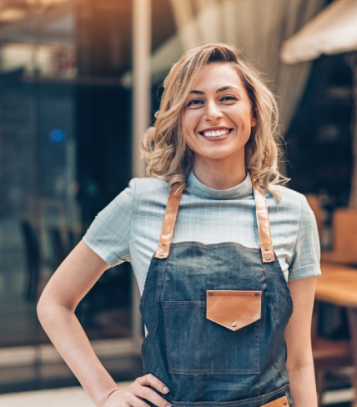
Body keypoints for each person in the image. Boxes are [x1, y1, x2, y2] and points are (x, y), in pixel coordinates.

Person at [37, 43, 321, 407]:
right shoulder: (140, 202)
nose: (213, 113)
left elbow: (298, 361)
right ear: (178, 117)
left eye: (228, 98)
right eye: (195, 101)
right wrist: (106, 393)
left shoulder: (293, 212)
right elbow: (55, 303)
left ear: (253, 114)